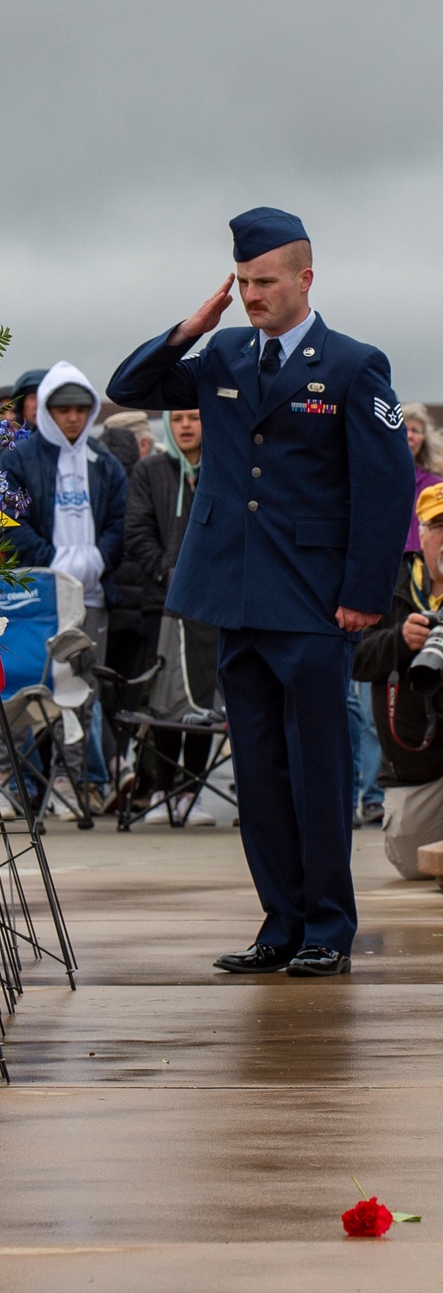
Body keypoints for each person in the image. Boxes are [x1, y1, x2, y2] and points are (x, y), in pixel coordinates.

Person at [107, 206, 413, 977]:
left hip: (314, 602)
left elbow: (383, 488)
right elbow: (131, 384)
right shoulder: (222, 354)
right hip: (233, 594)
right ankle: (278, 922)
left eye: (265, 282)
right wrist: (191, 324)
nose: (251, 296)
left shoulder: (352, 364)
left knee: (318, 766)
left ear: (306, 278)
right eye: (241, 283)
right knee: (261, 767)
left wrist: (364, 594)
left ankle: (327, 929)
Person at [0, 361, 128, 814]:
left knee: (82, 695)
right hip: (35, 599)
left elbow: (120, 522)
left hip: (91, 597)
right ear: (47, 410)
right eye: (62, 408)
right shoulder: (18, 460)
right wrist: (52, 560)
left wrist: (96, 559)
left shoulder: (104, 463)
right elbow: (5, 522)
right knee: (28, 694)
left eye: (80, 408)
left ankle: (79, 782)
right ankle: (24, 786)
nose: (72, 417)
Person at [126, 409, 218, 826]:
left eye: (196, 417)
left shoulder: (224, 465)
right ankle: (164, 788)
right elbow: (137, 531)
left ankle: (191, 792)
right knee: (163, 703)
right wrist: (167, 569)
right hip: (161, 603)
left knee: (199, 701)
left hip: (211, 607)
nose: (186, 425)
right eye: (178, 418)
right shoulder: (150, 470)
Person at [352, 483, 443, 878]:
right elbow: (353, 659)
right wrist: (400, 641)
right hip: (417, 765)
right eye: (438, 525)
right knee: (413, 862)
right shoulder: (390, 583)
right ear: (420, 532)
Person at [402, 403, 443, 551]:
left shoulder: (435, 484)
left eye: (415, 430)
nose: (409, 436)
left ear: (425, 439)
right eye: (404, 429)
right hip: (390, 560)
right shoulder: (379, 479)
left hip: (426, 561)